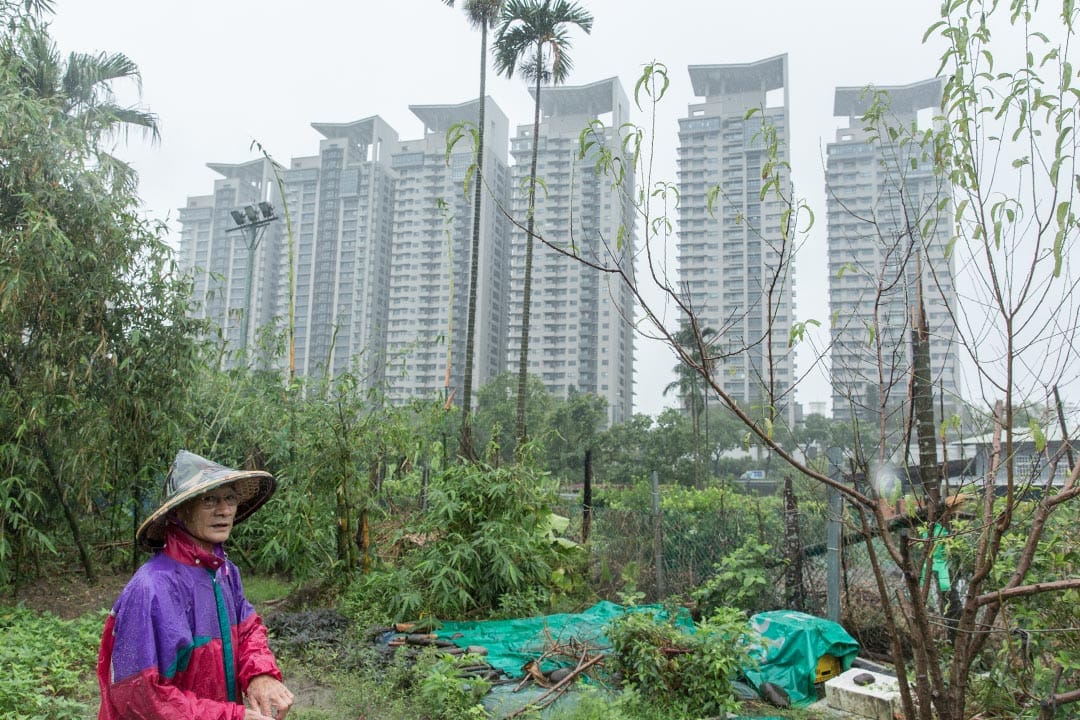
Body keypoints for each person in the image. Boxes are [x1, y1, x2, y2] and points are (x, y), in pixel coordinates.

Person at [98, 450, 295, 720]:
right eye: (209, 499)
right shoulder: (150, 589)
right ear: (181, 509)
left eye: (230, 498)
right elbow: (139, 699)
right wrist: (232, 717)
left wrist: (260, 673)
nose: (224, 510)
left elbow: (248, 630)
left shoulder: (225, 571)